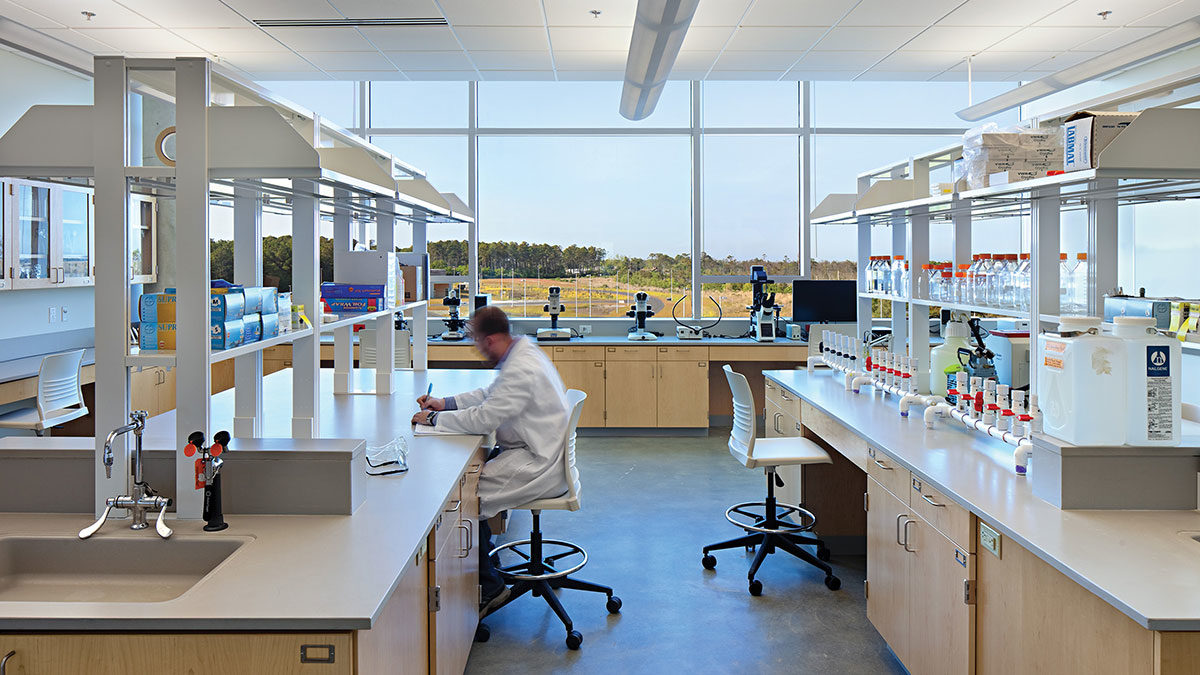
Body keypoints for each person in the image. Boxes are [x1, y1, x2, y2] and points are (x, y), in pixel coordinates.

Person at [412, 306, 570, 616]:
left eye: (479, 342)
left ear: (493, 339)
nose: (477, 349)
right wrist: (445, 404)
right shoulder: (522, 354)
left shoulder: (521, 368)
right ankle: (487, 564)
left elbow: (485, 418)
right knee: (471, 485)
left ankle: (490, 586)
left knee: (467, 495)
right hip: (534, 448)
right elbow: (490, 394)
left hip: (538, 461)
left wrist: (432, 418)